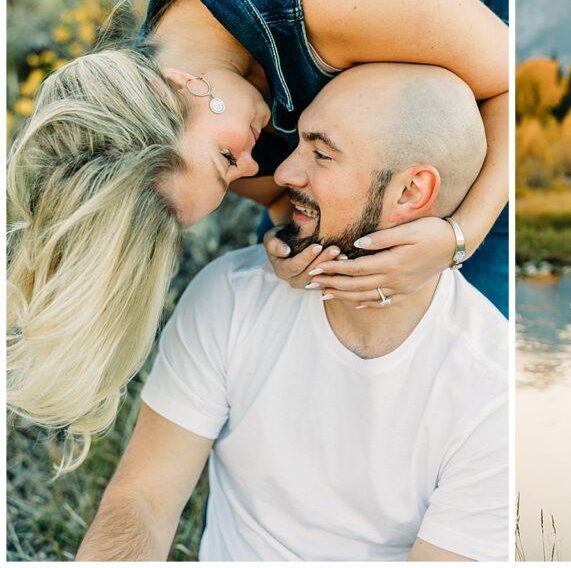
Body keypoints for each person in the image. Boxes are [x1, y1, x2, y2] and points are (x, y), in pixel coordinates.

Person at [7, 0, 509, 471]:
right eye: (228, 183)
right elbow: (272, 193)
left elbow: (509, 84)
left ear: (177, 88)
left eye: (226, 162)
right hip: (386, 123)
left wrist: (457, 239)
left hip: (494, 3)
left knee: (476, 308)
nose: (251, 170)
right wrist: (287, 236)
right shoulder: (203, 120)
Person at [75, 64, 509, 561]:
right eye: (298, 143)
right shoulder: (231, 298)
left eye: (321, 154)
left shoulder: (491, 392)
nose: (282, 174)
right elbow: (142, 501)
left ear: (411, 192)